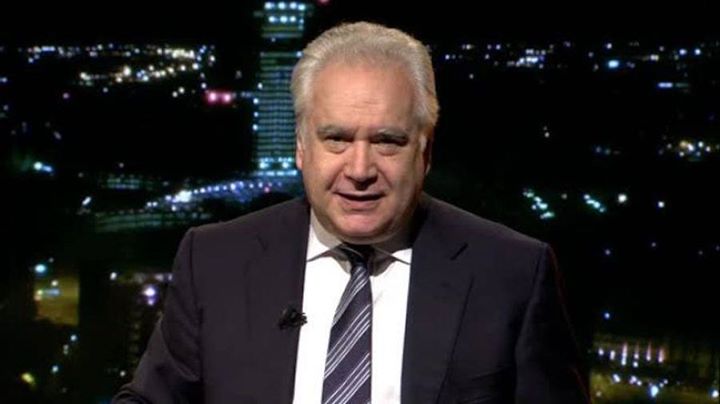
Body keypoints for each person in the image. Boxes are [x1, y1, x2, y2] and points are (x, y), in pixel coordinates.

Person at [113, 22, 588, 403]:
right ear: (301, 147)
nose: (360, 170)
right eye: (336, 139)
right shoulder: (214, 260)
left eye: (387, 141)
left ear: (424, 152)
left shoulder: (512, 274)